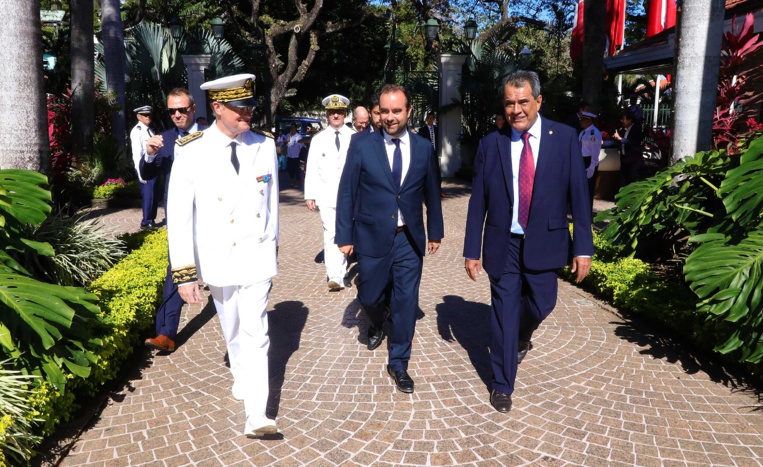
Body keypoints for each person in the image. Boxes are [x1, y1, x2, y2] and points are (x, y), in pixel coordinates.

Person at [463, 71, 593, 413]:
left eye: (523, 101)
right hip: (502, 243)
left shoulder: (564, 138)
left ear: (538, 100)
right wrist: (471, 250)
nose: (516, 110)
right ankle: (503, 384)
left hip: (545, 242)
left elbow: (579, 197)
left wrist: (583, 248)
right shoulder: (492, 144)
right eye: (509, 103)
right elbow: (478, 201)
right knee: (504, 314)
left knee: (542, 304)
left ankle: (521, 335)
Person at [167, 73, 280, 438]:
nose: (247, 114)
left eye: (250, 107)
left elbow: (272, 205)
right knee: (232, 327)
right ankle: (241, 374)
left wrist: (271, 248)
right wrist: (184, 273)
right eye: (239, 108)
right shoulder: (191, 148)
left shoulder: (264, 145)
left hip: (255, 255)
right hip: (218, 258)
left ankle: (257, 414)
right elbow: (180, 215)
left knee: (256, 331)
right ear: (217, 108)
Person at [336, 84, 444, 394]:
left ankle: (399, 362)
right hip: (370, 236)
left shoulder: (423, 148)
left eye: (397, 110)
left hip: (408, 238)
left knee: (407, 302)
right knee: (369, 296)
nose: (390, 117)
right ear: (378, 112)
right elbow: (347, 192)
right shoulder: (362, 145)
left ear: (409, 111)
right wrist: (344, 235)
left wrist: (434, 230)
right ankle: (378, 319)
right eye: (385, 111)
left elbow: (432, 193)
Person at [140, 88, 205, 353]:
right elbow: (147, 173)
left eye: (182, 109)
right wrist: (151, 153)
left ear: (193, 108)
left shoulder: (212, 135)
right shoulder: (163, 139)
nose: (177, 114)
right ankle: (165, 333)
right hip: (181, 217)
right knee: (176, 269)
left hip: (214, 213)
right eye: (171, 111)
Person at [304, 94, 355, 290]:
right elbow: (312, 168)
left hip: (350, 197)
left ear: (345, 114)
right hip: (327, 196)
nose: (335, 116)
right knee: (330, 234)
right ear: (327, 115)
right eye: (332, 112)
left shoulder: (354, 137)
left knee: (347, 234)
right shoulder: (318, 140)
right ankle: (335, 275)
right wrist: (310, 194)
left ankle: (342, 270)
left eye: (339, 112)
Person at [129, 105, 160, 230]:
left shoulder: (149, 130)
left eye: (149, 115)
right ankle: (146, 222)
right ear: (139, 117)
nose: (148, 117)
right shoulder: (137, 131)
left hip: (153, 166)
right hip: (145, 168)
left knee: (154, 194)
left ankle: (151, 219)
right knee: (148, 195)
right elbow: (137, 154)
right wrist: (140, 173)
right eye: (145, 115)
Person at [417, 112, 445, 197]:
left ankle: (438, 191)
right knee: (425, 172)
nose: (430, 120)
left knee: (436, 172)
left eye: (432, 118)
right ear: (426, 119)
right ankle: (424, 191)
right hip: (426, 154)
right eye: (429, 118)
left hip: (434, 153)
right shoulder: (422, 130)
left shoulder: (437, 130)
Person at [614, 108, 644, 187]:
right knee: (623, 180)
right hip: (624, 159)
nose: (622, 121)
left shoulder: (636, 129)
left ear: (629, 120)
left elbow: (633, 142)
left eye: (624, 119)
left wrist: (620, 138)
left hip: (633, 160)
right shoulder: (624, 130)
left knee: (632, 178)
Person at [579, 111, 602, 210]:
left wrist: (592, 166)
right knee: (581, 188)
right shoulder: (582, 132)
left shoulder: (594, 133)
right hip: (581, 160)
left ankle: (587, 211)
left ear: (589, 121)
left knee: (588, 188)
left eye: (583, 120)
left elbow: (595, 151)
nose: (581, 122)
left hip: (589, 161)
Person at [283, 123, 304, 187]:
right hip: (289, 156)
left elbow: (301, 146)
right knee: (290, 170)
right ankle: (292, 181)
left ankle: (297, 182)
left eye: (294, 128)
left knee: (297, 170)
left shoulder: (298, 136)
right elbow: (285, 144)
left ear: (296, 128)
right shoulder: (288, 135)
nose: (292, 129)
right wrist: (286, 141)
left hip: (296, 156)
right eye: (291, 128)